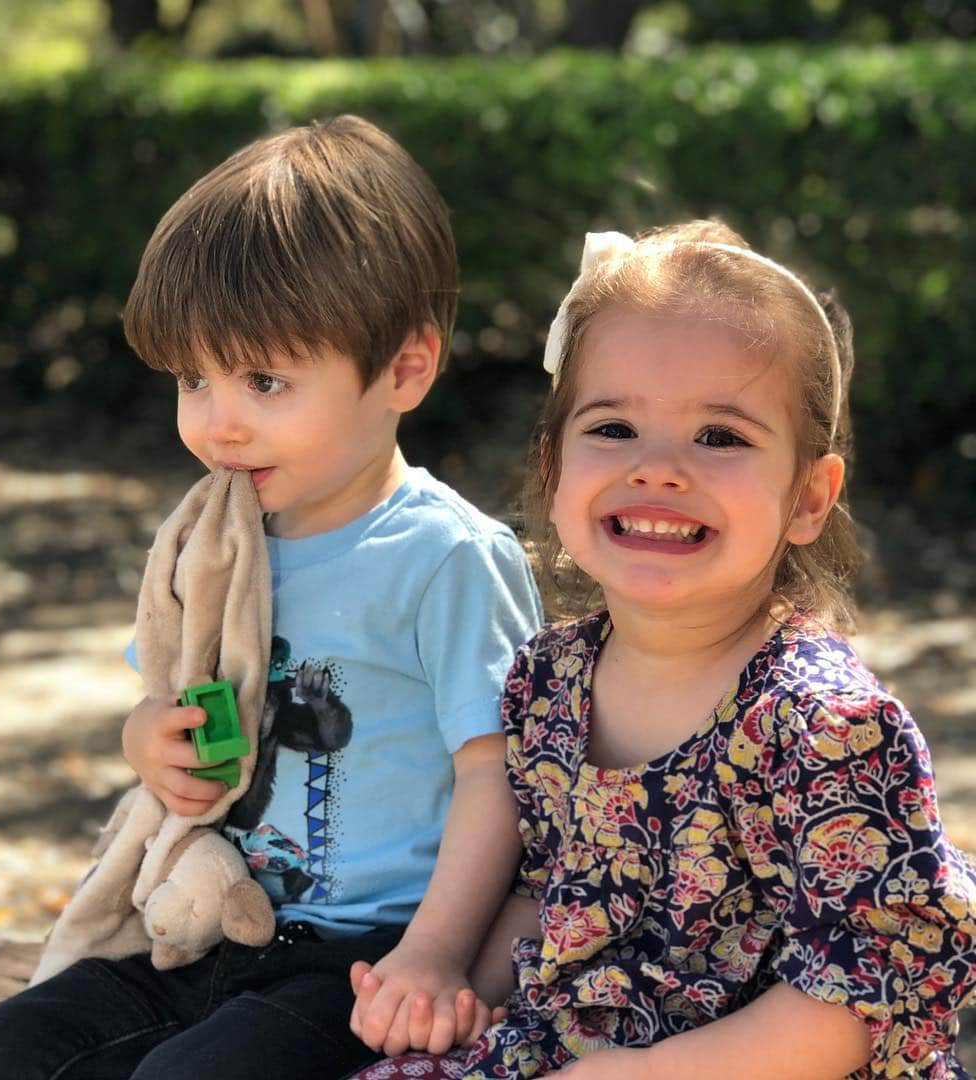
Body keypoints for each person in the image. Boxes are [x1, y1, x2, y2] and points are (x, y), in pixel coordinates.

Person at [0, 114, 543, 1080]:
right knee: (1, 1051)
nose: (219, 424)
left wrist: (435, 953)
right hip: (210, 920)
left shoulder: (445, 557)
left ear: (404, 369)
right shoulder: (219, 541)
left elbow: (502, 775)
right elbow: (162, 701)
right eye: (194, 378)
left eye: (265, 380)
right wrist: (149, 741)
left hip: (368, 953)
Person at [348, 221, 976, 1079]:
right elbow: (547, 896)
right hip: (569, 1046)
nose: (660, 470)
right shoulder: (550, 680)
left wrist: (639, 1073)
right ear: (553, 466)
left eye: (721, 438)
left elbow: (857, 1003)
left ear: (808, 497)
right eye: (612, 429)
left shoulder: (827, 728)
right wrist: (451, 986)